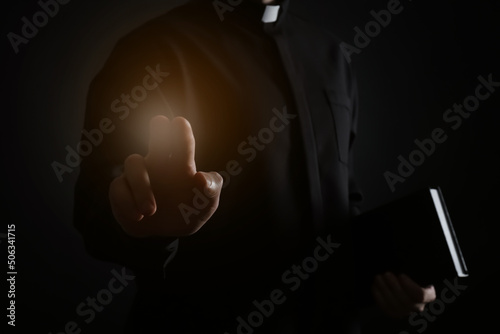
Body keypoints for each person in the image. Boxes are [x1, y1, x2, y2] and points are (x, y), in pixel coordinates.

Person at [74, 0, 435, 332]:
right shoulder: (150, 51)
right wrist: (145, 226)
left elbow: (345, 200)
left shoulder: (332, 55)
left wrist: (393, 282)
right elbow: (96, 214)